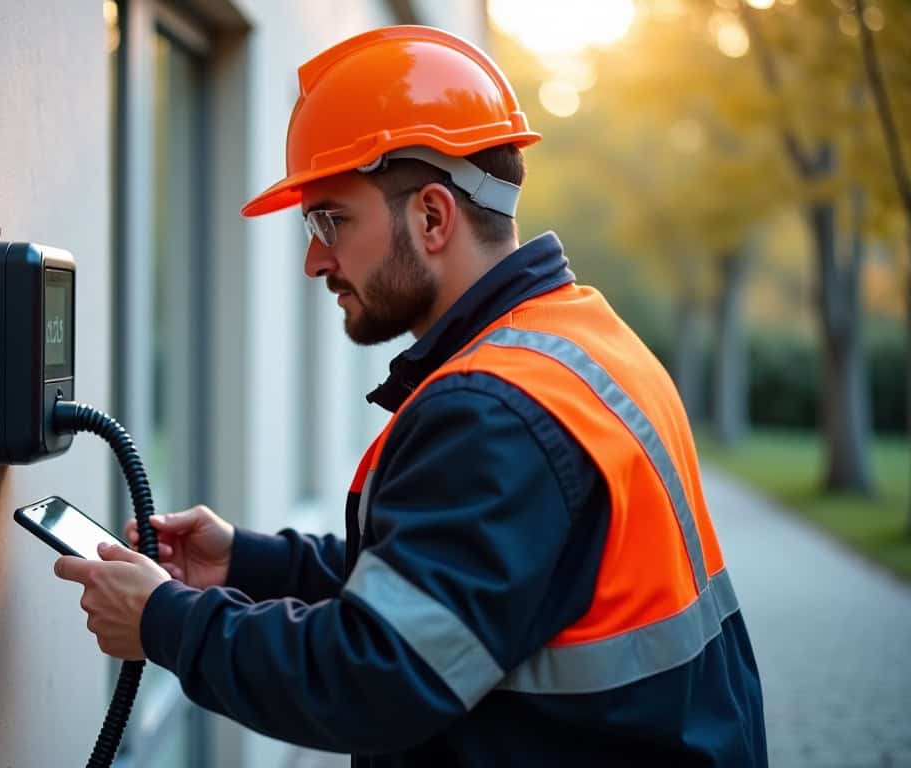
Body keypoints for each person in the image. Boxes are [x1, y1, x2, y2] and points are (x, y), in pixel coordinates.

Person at [53, 25, 767, 766]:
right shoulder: (581, 340)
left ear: (432, 216)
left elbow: (374, 676)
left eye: (330, 219)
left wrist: (166, 621)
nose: (313, 259)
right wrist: (248, 564)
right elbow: (452, 586)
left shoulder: (495, 413)